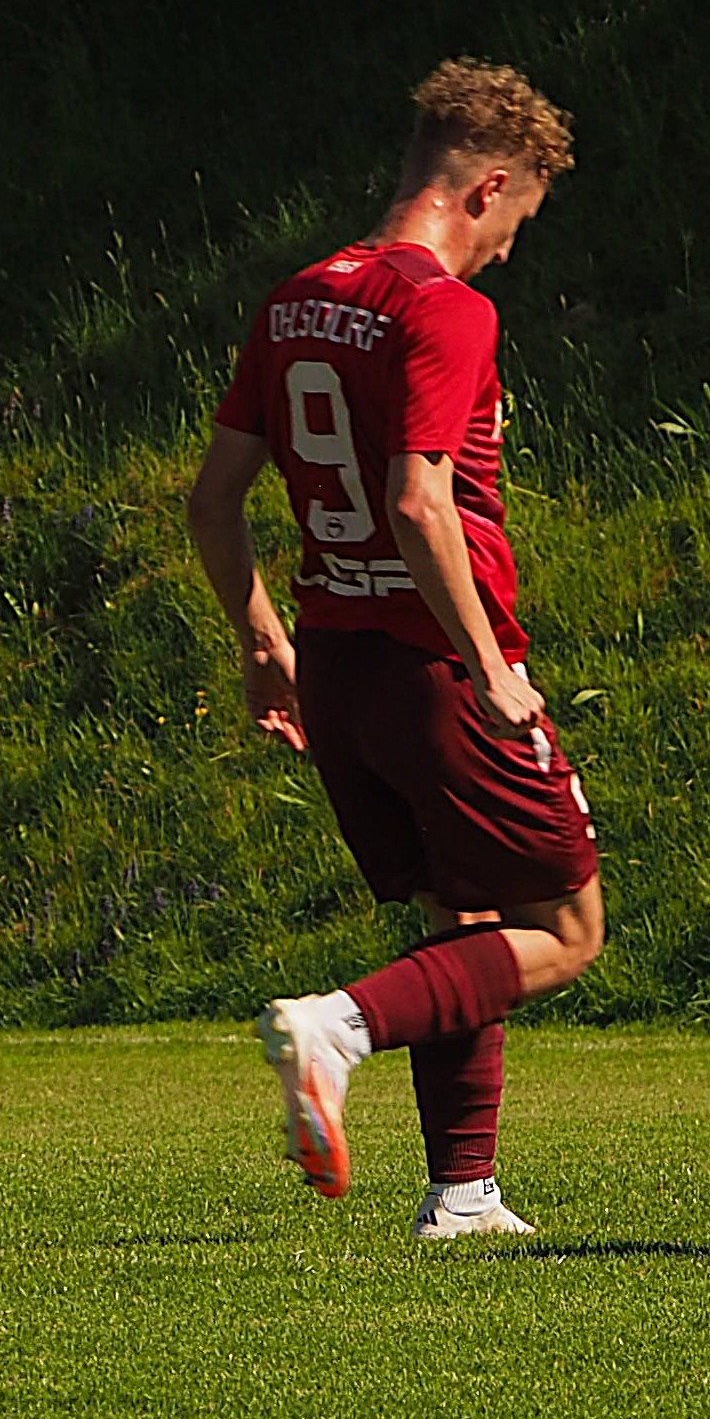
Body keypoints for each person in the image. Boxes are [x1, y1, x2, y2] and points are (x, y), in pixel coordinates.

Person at [184, 60, 605, 1240]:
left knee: (463, 917)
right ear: (488, 187)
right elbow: (420, 501)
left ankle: (462, 1193)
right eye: (519, 220)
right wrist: (489, 666)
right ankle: (337, 1028)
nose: (509, 251)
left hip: (338, 665)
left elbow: (213, 500)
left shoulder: (295, 299)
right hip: (433, 673)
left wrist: (262, 646)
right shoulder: (445, 308)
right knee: (567, 930)